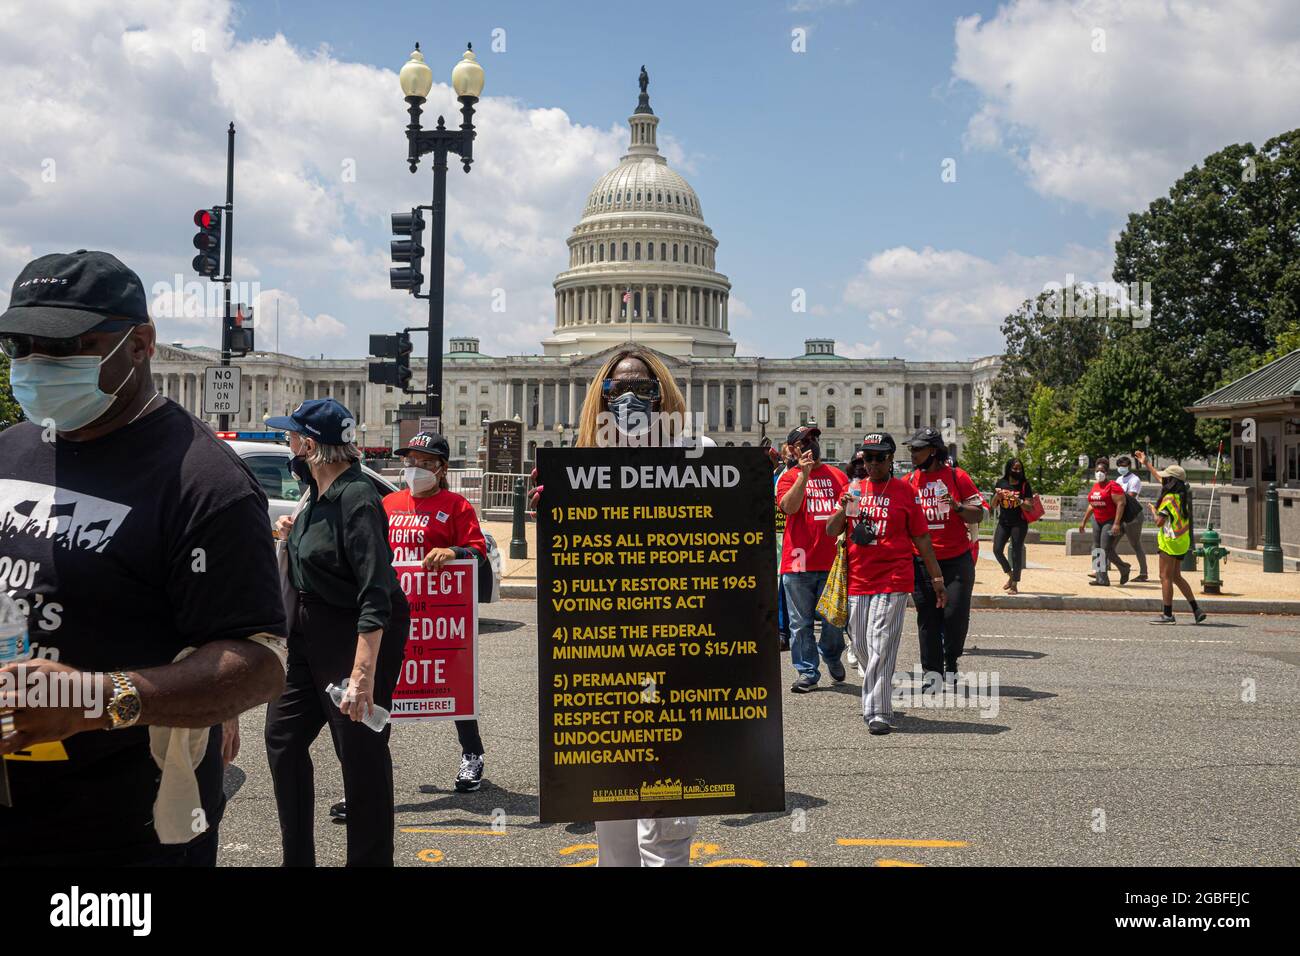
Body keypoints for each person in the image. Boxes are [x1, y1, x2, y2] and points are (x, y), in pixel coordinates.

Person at [0, 250, 287, 865]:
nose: (33, 364)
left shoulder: (207, 482)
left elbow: (257, 665)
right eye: (19, 345)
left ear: (140, 345)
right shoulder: (10, 450)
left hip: (122, 828)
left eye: (64, 346)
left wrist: (100, 700)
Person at [533, 345, 707, 867]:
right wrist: (554, 519)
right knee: (611, 802)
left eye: (643, 388)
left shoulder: (699, 450)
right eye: (619, 388)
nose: (631, 397)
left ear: (663, 395)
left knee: (673, 806)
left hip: (682, 644)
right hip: (607, 647)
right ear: (601, 397)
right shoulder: (583, 463)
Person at [264, 398, 410, 867]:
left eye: (291, 435)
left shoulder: (358, 498)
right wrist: (293, 531)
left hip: (355, 636)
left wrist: (362, 674)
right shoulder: (316, 491)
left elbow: (375, 593)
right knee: (283, 738)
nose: (286, 442)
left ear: (309, 444)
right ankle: (297, 859)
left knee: (360, 753)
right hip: (310, 635)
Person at [384, 431, 490, 792]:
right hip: (394, 612)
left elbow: (477, 552)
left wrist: (453, 553)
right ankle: (369, 769)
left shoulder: (457, 506)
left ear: (441, 469)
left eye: (424, 462)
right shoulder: (390, 504)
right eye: (410, 460)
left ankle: (472, 755)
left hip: (440, 618)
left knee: (455, 684)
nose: (415, 468)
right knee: (386, 688)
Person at [826, 435, 946, 734]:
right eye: (868, 458)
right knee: (862, 647)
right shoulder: (854, 489)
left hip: (894, 577)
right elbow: (831, 530)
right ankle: (878, 688)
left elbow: (921, 539)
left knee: (880, 643)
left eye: (880, 458)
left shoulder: (905, 493)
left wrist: (937, 579)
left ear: (892, 458)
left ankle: (878, 710)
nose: (874, 464)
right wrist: (843, 508)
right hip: (858, 579)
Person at [904, 427, 984, 686]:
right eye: (912, 448)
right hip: (922, 561)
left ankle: (951, 658)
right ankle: (932, 673)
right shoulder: (908, 483)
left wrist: (958, 507)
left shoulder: (956, 476)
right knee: (927, 617)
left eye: (918, 449)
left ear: (934, 451)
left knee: (954, 616)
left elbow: (979, 512)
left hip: (956, 559)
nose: (913, 453)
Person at [778, 424, 850, 693]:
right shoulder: (789, 477)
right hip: (797, 562)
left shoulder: (837, 475)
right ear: (793, 448)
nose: (811, 444)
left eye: (814, 439)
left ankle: (831, 654)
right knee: (800, 623)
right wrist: (803, 475)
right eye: (805, 441)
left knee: (833, 621)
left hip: (831, 561)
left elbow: (848, 511)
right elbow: (789, 507)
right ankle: (807, 671)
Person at [1134, 453, 1206, 625]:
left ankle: (1168, 615)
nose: (1163, 479)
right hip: (1182, 541)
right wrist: (1147, 464)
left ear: (1172, 481)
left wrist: (1152, 510)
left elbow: (1159, 523)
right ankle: (1196, 609)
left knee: (1164, 576)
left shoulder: (1168, 499)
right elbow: (1161, 478)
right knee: (1176, 576)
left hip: (1169, 541)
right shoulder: (1182, 493)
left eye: (1167, 478)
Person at [1079, 456, 1131, 587]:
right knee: (1097, 548)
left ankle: (1113, 573)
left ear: (1107, 472)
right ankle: (1104, 576)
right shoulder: (1096, 486)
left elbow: (1121, 503)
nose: (1098, 473)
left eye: (1101, 471)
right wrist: (1083, 521)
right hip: (1097, 519)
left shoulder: (1112, 486)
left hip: (1110, 520)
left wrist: (1117, 523)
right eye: (1096, 471)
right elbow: (1092, 504)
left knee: (1105, 549)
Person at [992, 458, 1034, 594]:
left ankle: (1015, 584)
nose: (1017, 471)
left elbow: (1029, 506)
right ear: (1009, 469)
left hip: (1019, 523)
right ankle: (1010, 575)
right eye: (1014, 468)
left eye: (1019, 469)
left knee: (1016, 552)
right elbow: (993, 505)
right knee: (997, 550)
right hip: (1004, 522)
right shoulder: (1001, 483)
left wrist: (1018, 499)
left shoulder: (1024, 485)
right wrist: (997, 496)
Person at [1115, 455, 1150, 581]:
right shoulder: (1119, 479)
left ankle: (1143, 573)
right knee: (1109, 545)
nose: (1121, 468)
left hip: (1132, 516)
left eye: (1123, 466)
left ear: (1129, 466)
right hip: (1121, 516)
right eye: (1119, 466)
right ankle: (1120, 567)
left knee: (1135, 545)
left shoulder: (1134, 479)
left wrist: (1115, 496)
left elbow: (1130, 496)